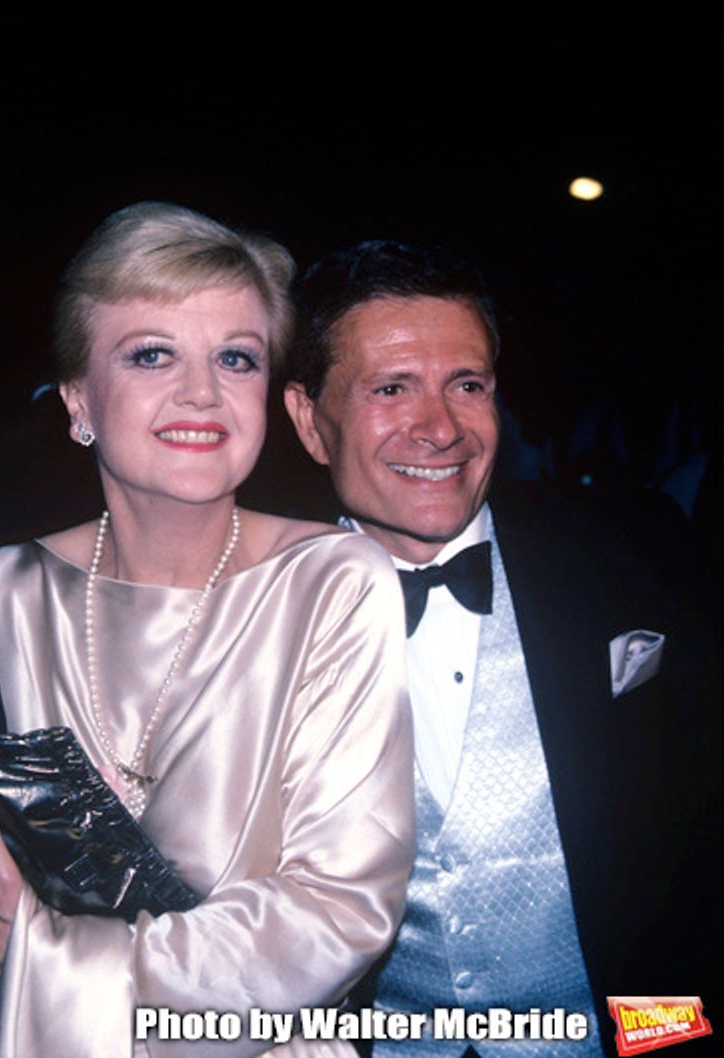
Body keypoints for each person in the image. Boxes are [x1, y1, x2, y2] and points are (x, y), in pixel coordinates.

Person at [0, 202, 416, 1057]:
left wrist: (43, 958)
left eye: (236, 359)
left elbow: (338, 911)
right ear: (77, 400)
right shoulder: (8, 587)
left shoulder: (335, 581)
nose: (202, 393)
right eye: (151, 354)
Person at [283, 240, 721, 1055]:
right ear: (311, 420)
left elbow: (700, 841)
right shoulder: (253, 616)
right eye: (391, 388)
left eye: (467, 384)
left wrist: (672, 1038)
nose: (440, 427)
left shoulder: (638, 553)